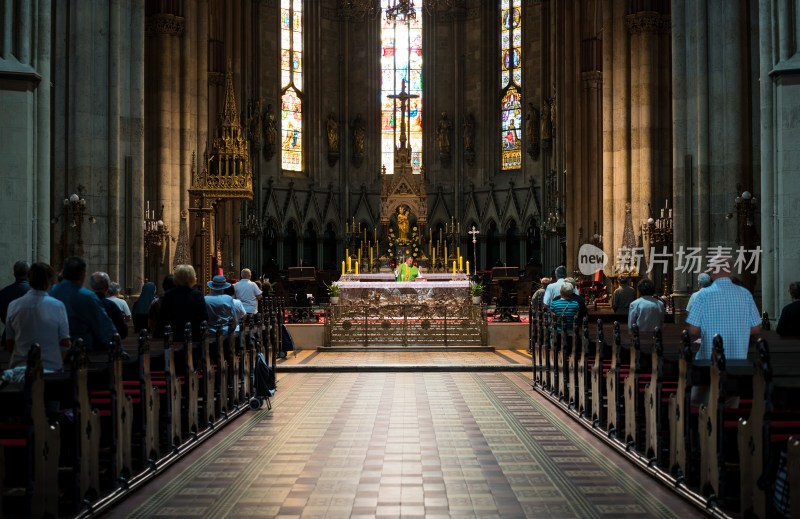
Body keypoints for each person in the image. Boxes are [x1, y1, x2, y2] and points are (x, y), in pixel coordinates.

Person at [686, 257, 761, 361]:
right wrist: (738, 332)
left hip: (709, 361)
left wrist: (707, 331)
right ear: (730, 270)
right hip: (738, 361)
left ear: (712, 271)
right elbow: (756, 328)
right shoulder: (745, 294)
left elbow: (693, 330)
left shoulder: (703, 295)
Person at [5, 262, 70, 372]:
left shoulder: (14, 305)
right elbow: (65, 342)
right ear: (49, 281)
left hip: (20, 369)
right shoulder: (57, 306)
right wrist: (56, 360)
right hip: (51, 369)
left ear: (29, 278)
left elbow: (10, 343)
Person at [50, 256, 116, 352]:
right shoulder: (87, 297)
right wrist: (117, 348)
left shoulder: (50, 292)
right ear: (83, 275)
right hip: (78, 351)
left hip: (52, 349)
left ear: (63, 273)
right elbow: (104, 326)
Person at [156, 265, 208, 343]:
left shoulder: (169, 295)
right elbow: (204, 317)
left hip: (173, 336)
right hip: (193, 336)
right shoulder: (198, 295)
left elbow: (163, 317)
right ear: (192, 277)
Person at [89, 272, 128, 340]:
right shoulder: (111, 306)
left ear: (91, 286)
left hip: (87, 346)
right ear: (107, 287)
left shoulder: (86, 303)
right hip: (107, 345)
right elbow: (123, 331)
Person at [0, 260, 30, 346]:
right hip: (30, 338)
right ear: (29, 274)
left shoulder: (4, 292)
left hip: (9, 338)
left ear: (14, 274)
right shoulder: (34, 292)